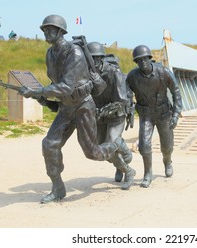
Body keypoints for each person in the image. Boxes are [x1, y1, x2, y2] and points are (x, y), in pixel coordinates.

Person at [19, 14, 129, 203]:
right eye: (44, 29)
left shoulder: (75, 53)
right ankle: (58, 188)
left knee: (92, 152)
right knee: (49, 144)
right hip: (66, 107)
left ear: (60, 31)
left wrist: (39, 92)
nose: (46, 32)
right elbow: (55, 81)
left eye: (49, 29)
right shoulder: (50, 54)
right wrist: (44, 95)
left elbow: (66, 86)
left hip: (82, 106)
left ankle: (117, 148)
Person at [126, 45, 183, 188]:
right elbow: (126, 93)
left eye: (145, 59)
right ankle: (148, 173)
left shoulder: (163, 72)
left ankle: (167, 161)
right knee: (144, 146)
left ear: (149, 58)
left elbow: (176, 92)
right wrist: (129, 106)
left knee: (167, 146)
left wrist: (176, 114)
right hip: (146, 115)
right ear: (136, 63)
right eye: (139, 60)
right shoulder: (132, 77)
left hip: (164, 114)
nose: (142, 63)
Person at [87, 41, 135, 190]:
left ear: (101, 58)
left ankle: (128, 170)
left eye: (97, 58)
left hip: (116, 114)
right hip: (99, 116)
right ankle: (120, 161)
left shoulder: (114, 72)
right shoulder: (86, 73)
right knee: (102, 150)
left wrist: (105, 110)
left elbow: (121, 100)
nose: (94, 61)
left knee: (110, 145)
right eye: (91, 58)